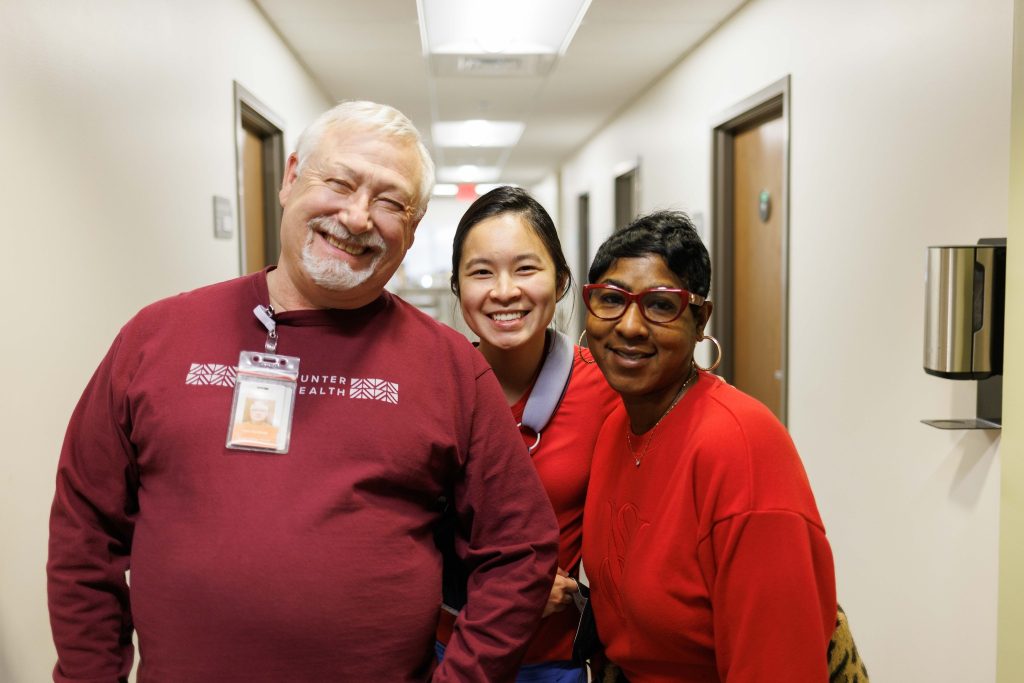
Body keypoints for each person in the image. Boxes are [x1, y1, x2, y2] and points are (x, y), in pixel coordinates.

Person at [47, 101, 560, 683]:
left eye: (390, 202)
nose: (357, 217)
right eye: (339, 183)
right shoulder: (156, 338)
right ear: (291, 178)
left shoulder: (450, 369)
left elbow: (520, 549)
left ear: (414, 229)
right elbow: (84, 530)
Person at [580, 210, 837, 682]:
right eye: (611, 299)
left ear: (700, 320)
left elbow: (779, 664)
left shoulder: (742, 446)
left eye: (661, 305)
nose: (630, 326)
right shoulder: (617, 425)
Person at [435, 186, 620, 682]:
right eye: (481, 272)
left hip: (553, 661)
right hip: (445, 651)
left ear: (560, 281)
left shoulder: (605, 388)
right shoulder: (432, 387)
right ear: (457, 286)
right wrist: (512, 591)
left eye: (525, 269)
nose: (504, 291)